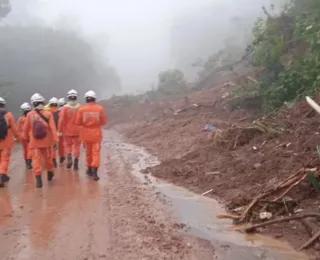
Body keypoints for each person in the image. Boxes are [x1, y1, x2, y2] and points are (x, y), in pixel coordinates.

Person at [23, 93, 58, 188]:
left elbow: (25, 129)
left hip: (34, 143)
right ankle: (50, 172)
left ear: (33, 103)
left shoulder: (30, 114)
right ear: (42, 102)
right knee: (48, 158)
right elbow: (53, 128)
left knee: (36, 160)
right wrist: (55, 140)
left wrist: (25, 139)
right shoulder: (48, 114)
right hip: (46, 142)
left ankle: (38, 179)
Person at [76, 90, 106, 181]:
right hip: (96, 134)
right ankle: (95, 173)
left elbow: (78, 122)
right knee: (95, 153)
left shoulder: (81, 109)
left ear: (86, 99)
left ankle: (89, 169)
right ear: (94, 98)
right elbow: (103, 122)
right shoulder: (100, 108)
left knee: (88, 153)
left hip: (85, 134)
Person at [58, 89, 81, 170]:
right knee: (77, 146)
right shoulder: (80, 107)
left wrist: (59, 131)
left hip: (67, 131)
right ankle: (76, 162)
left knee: (68, 146)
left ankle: (69, 158)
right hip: (78, 131)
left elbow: (61, 120)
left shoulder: (64, 108)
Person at [0, 97, 19, 187]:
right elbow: (14, 129)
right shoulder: (9, 115)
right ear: (3, 105)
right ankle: (2, 175)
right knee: (4, 159)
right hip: (6, 141)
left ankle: (2, 175)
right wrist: (18, 137)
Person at [17, 102, 32, 169]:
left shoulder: (20, 119)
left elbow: (17, 128)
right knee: (29, 149)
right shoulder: (31, 117)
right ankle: (29, 162)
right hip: (29, 136)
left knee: (25, 150)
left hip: (22, 136)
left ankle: (26, 163)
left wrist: (17, 137)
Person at [47, 97, 60, 168]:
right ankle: (54, 160)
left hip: (49, 132)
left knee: (50, 148)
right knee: (54, 147)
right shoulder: (59, 112)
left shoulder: (47, 112)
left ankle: (52, 160)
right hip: (57, 131)